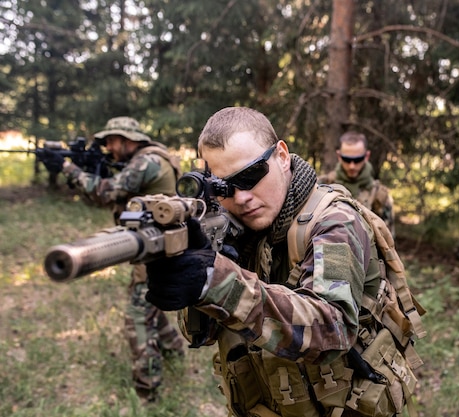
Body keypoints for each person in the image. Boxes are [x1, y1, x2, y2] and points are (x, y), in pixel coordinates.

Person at [143, 107, 425, 417]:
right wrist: (192, 277)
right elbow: (202, 335)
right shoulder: (237, 229)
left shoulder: (335, 221)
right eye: (223, 188)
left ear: (281, 156)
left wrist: (217, 280)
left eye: (250, 176)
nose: (241, 198)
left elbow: (332, 327)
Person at [50, 116, 187, 403]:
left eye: (111, 140)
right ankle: (175, 351)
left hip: (153, 248)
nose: (108, 147)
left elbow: (107, 192)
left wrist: (68, 168)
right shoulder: (151, 158)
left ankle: (148, 393)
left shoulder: (146, 161)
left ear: (129, 139)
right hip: (152, 247)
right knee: (149, 302)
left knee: (137, 316)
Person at [318, 131, 395, 236]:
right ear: (339, 156)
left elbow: (388, 243)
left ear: (367, 156)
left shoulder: (380, 196)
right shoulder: (321, 187)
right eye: (347, 159)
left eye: (357, 160)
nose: (352, 166)